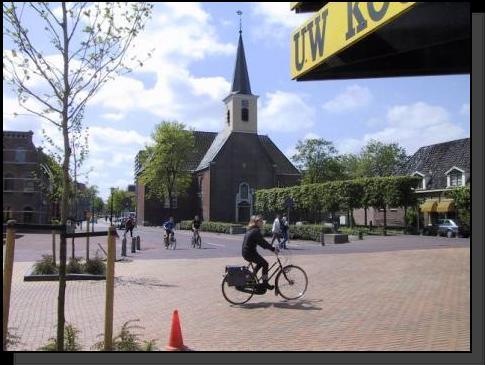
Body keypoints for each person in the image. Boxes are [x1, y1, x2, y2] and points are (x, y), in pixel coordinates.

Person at [242, 215, 279, 290]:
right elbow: (263, 243)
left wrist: (271, 248)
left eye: (262, 221)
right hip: (249, 253)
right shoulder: (255, 231)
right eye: (261, 221)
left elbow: (262, 242)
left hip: (248, 252)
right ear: (256, 222)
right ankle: (265, 283)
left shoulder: (252, 229)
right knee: (265, 264)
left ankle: (250, 278)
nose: (262, 223)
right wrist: (273, 249)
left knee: (261, 263)